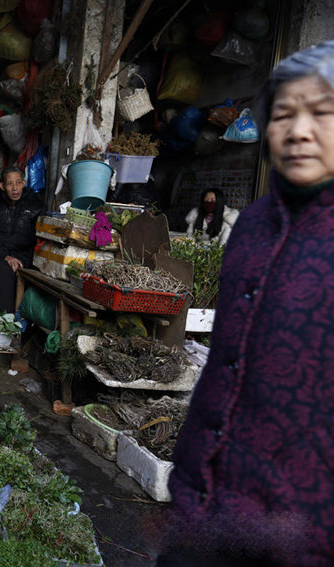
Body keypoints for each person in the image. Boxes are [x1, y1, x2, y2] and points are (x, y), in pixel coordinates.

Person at [165, 41, 334, 566]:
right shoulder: (253, 224)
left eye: (322, 113)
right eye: (283, 113)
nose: (299, 131)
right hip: (206, 509)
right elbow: (225, 361)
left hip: (304, 532)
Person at [0, 166, 44, 313]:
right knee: (4, 270)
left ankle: (16, 325)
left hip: (24, 257)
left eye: (18, 183)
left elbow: (38, 242)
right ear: (2, 186)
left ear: (24, 183)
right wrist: (4, 255)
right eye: (10, 184)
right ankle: (1, 322)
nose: (15, 188)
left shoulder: (35, 206)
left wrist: (23, 260)